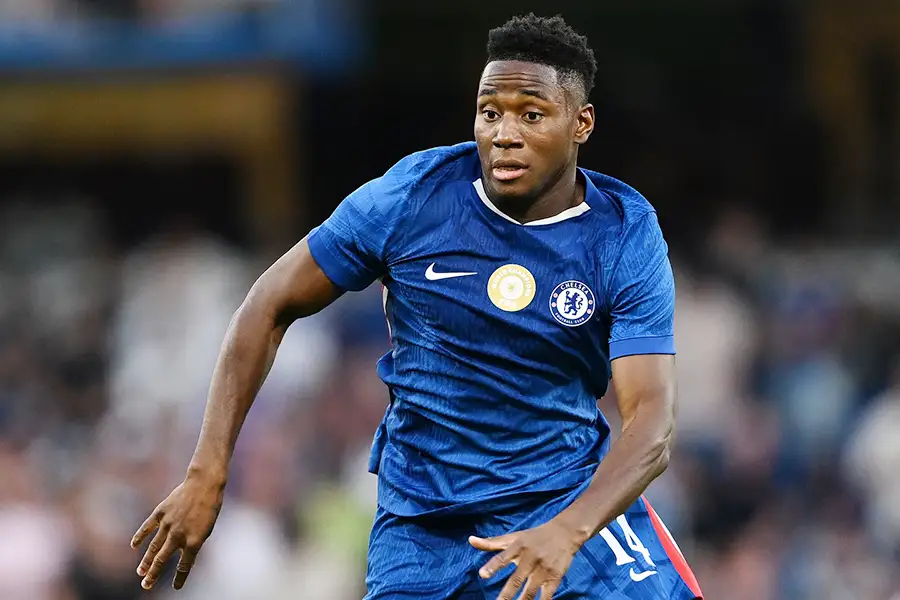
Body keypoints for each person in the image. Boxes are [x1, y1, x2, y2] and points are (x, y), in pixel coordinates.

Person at [131, 13, 703, 600]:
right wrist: (207, 472)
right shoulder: (413, 198)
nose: (504, 133)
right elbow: (268, 304)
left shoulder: (623, 233)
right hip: (422, 530)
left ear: (581, 123)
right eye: (489, 112)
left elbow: (650, 421)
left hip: (562, 505)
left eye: (531, 115)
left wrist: (568, 530)